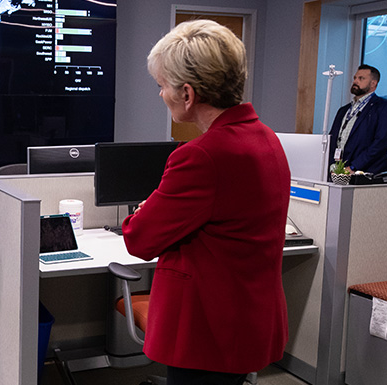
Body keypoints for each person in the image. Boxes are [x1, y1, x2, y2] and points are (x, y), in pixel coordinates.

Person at [121, 20, 290, 385]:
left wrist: (146, 207)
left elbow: (140, 239)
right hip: (248, 318)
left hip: (207, 329)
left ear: (187, 93)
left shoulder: (202, 156)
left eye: (162, 85)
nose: (160, 94)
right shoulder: (266, 139)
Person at [328, 64, 387, 175]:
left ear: (373, 83)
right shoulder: (343, 110)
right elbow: (332, 140)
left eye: (361, 78)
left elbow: (381, 143)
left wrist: (354, 167)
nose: (355, 81)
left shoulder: (384, 107)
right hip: (339, 172)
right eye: (355, 78)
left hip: (366, 173)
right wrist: (332, 166)